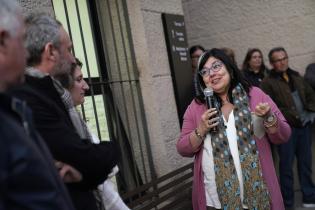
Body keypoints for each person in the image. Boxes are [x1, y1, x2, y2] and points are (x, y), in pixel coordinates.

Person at [9, 13, 120, 210]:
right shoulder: (33, 97)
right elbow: (86, 161)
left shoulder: (49, 91)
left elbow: (83, 164)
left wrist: (85, 169)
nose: (71, 58)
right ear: (50, 52)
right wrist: (113, 148)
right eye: (68, 50)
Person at [177, 48, 291, 210]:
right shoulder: (196, 107)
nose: (212, 73)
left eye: (217, 66)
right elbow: (183, 148)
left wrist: (269, 117)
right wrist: (201, 130)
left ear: (229, 68)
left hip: (258, 195)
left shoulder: (255, 95)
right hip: (214, 201)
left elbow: (284, 135)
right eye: (205, 71)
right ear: (202, 80)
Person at [0, 0, 76, 209]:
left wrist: (47, 171)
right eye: (22, 40)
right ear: (3, 40)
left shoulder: (12, 108)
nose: (26, 53)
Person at [57, 58, 130, 210]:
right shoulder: (64, 126)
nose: (86, 86)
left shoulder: (76, 120)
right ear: (63, 86)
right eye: (79, 80)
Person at [261, 47, 315, 209]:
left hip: (304, 129)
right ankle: (288, 203)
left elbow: (311, 96)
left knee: (305, 164)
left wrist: (309, 114)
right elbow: (269, 108)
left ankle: (309, 198)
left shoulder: (296, 76)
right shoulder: (267, 82)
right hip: (285, 132)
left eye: (284, 58)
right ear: (271, 63)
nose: (282, 62)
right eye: (278, 60)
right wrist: (288, 118)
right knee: (286, 168)